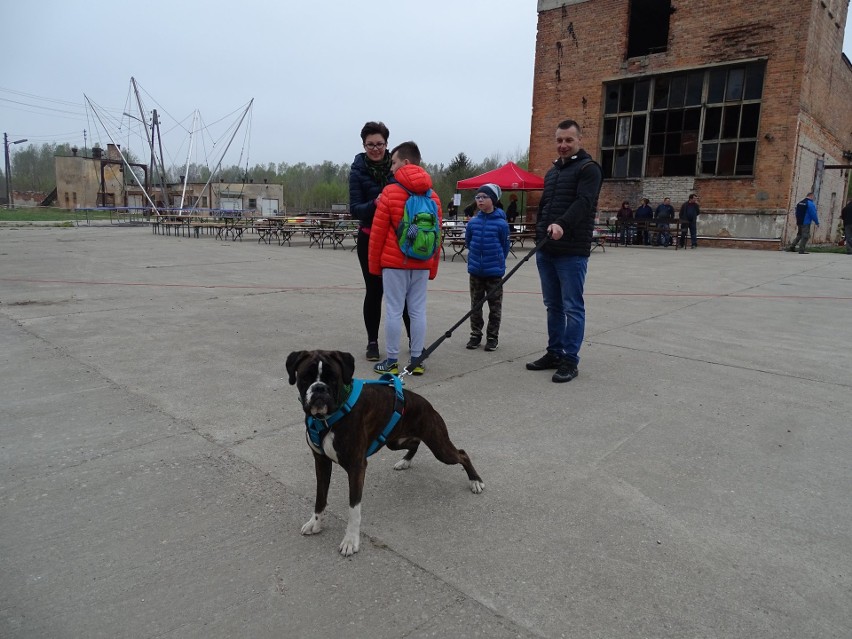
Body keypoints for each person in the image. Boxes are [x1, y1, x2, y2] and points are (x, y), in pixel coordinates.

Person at [526, 119, 603, 383]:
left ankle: (571, 359)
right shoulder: (553, 172)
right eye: (559, 140)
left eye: (568, 140)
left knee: (572, 306)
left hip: (571, 251)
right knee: (553, 305)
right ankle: (554, 352)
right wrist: (540, 233)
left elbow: (584, 203)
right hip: (546, 249)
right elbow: (546, 205)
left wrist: (561, 224)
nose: (563, 145)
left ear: (579, 140)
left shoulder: (589, 169)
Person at [368, 141, 442, 375]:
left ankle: (391, 360)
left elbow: (378, 233)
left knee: (393, 310)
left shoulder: (390, 192)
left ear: (406, 163)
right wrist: (432, 267)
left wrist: (374, 266)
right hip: (422, 263)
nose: (391, 167)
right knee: (418, 311)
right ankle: (417, 360)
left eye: (395, 161)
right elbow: (438, 236)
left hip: (394, 263)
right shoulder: (434, 197)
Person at [348, 121, 409, 362]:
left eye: (380, 144)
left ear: (387, 144)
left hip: (396, 239)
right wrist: (376, 203)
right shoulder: (357, 171)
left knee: (402, 293)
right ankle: (372, 342)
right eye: (370, 145)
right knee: (374, 291)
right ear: (363, 145)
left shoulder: (397, 168)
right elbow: (355, 209)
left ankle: (415, 340)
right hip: (369, 237)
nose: (375, 149)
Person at [464, 183, 510, 352]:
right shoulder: (473, 223)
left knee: (495, 307)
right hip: (476, 271)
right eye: (478, 197)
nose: (480, 200)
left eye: (485, 197)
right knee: (475, 305)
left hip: (494, 273)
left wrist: (498, 261)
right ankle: (475, 335)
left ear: (494, 200)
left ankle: (492, 337)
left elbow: (505, 246)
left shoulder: (501, 224)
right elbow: (468, 242)